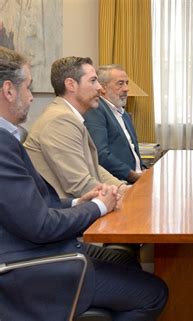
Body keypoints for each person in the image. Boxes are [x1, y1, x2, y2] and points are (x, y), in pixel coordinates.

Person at [0, 47, 167, 321]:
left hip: (42, 246)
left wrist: (81, 202)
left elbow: (35, 206)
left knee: (126, 262)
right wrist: (100, 206)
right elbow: (40, 225)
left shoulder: (10, 137)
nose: (32, 96)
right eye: (28, 87)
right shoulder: (16, 138)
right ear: (8, 90)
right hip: (32, 268)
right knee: (154, 292)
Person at [24, 56, 126, 198]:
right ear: (71, 84)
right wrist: (119, 196)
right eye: (93, 81)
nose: (99, 87)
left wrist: (122, 188)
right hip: (66, 212)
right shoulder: (60, 120)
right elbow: (81, 185)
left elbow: (93, 167)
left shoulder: (68, 115)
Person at [84, 64, 145, 183]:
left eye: (127, 83)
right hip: (118, 183)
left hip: (137, 179)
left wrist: (144, 171)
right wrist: (133, 175)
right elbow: (101, 155)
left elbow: (132, 151)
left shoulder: (124, 113)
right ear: (103, 87)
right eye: (120, 83)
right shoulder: (96, 110)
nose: (126, 88)